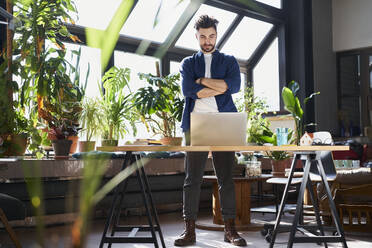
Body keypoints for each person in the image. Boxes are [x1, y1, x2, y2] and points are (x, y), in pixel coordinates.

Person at [174, 15, 247, 247]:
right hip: (195, 123)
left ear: (217, 35)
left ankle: (230, 230)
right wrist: (219, 85)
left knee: (226, 178)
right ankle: (189, 231)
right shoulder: (187, 63)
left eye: (212, 36)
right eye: (203, 36)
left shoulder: (228, 60)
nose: (207, 40)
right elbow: (188, 91)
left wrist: (203, 81)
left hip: (223, 121)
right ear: (196, 36)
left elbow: (233, 86)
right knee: (191, 179)